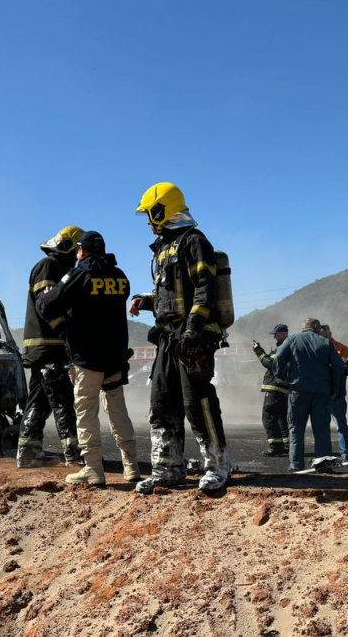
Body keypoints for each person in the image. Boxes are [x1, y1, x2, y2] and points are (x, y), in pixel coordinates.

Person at [129, 182, 232, 493]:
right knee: (161, 402)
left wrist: (193, 331)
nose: (148, 221)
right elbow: (171, 295)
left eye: (150, 214)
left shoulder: (194, 241)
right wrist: (144, 301)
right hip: (167, 337)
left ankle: (217, 465)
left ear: (163, 210)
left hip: (193, 337)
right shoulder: (162, 248)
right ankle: (168, 468)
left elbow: (205, 288)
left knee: (197, 402)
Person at [37, 231, 140, 486]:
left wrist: (45, 294)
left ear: (82, 250)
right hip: (115, 357)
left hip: (88, 359)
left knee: (86, 412)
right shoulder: (120, 276)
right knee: (118, 410)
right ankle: (132, 466)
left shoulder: (81, 274)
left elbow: (49, 305)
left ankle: (93, 468)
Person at [16, 226, 83, 468]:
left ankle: (28, 452)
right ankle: (74, 455)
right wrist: (66, 333)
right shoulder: (50, 266)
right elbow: (47, 308)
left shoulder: (58, 268)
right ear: (69, 248)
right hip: (49, 347)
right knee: (63, 399)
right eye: (78, 249)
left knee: (39, 401)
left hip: (42, 348)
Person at [272, 317, 344, 472]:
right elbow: (338, 367)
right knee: (322, 430)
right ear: (316, 327)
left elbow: (278, 358)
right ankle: (323, 466)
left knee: (296, 430)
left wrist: (281, 378)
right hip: (321, 393)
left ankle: (296, 466)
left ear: (304, 327)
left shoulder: (292, 339)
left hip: (298, 391)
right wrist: (334, 389)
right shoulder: (325, 342)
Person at [251, 324, 290, 457]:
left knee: (269, 418)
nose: (274, 336)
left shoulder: (282, 349)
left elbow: (270, 364)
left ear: (284, 333)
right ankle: (287, 445)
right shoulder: (289, 348)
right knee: (282, 419)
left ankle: (275, 447)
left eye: (276, 333)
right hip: (284, 391)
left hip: (275, 390)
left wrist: (258, 350)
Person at [318, 323, 348, 461]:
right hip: (321, 394)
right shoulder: (317, 348)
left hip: (336, 394)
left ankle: (345, 453)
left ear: (330, 334)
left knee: (341, 425)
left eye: (324, 335)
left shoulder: (342, 349)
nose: (322, 338)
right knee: (322, 426)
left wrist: (335, 367)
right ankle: (325, 454)